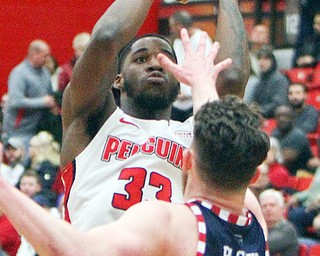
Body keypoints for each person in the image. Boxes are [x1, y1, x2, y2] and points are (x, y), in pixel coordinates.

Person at [59, 0, 252, 231]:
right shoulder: (94, 120)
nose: (155, 65)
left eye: (166, 61)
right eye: (141, 59)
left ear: (181, 81)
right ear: (117, 79)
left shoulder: (198, 133)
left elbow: (231, 76)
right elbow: (106, 38)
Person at [0, 95, 270, 256]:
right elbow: (224, 142)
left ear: (186, 160)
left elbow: (72, 252)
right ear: (254, 176)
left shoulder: (172, 221)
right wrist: (202, 80)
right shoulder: (256, 223)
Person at [1, 40, 56, 156]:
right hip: (18, 131)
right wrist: (43, 102)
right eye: (44, 56)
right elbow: (15, 101)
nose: (47, 59)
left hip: (37, 130)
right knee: (19, 163)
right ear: (33, 54)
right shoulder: (19, 74)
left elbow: (50, 95)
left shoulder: (45, 73)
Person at [168, 10, 213, 122]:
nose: (171, 30)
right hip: (177, 102)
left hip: (195, 101)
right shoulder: (177, 42)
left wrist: (188, 93)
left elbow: (206, 71)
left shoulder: (202, 40)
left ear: (179, 26)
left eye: (172, 27)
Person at [272, 105, 316, 175]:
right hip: (282, 175)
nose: (282, 119)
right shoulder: (275, 134)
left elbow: (284, 161)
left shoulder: (297, 135)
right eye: (279, 116)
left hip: (300, 176)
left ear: (293, 118)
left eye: (286, 116)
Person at [250, 45, 290, 118]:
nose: (261, 63)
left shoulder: (280, 80)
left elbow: (279, 103)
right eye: (260, 59)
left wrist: (260, 111)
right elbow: (254, 102)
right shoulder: (259, 81)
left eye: (265, 59)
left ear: (272, 61)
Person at [259, 189, 299, 256]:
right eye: (264, 206)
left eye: (272, 205)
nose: (268, 209)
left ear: (282, 209)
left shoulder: (287, 230)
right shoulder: (259, 227)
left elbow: (264, 246)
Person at [287, 167, 320, 239]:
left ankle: (298, 242)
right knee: (291, 211)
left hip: (317, 209)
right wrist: (297, 197)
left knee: (296, 215)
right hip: (309, 205)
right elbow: (311, 191)